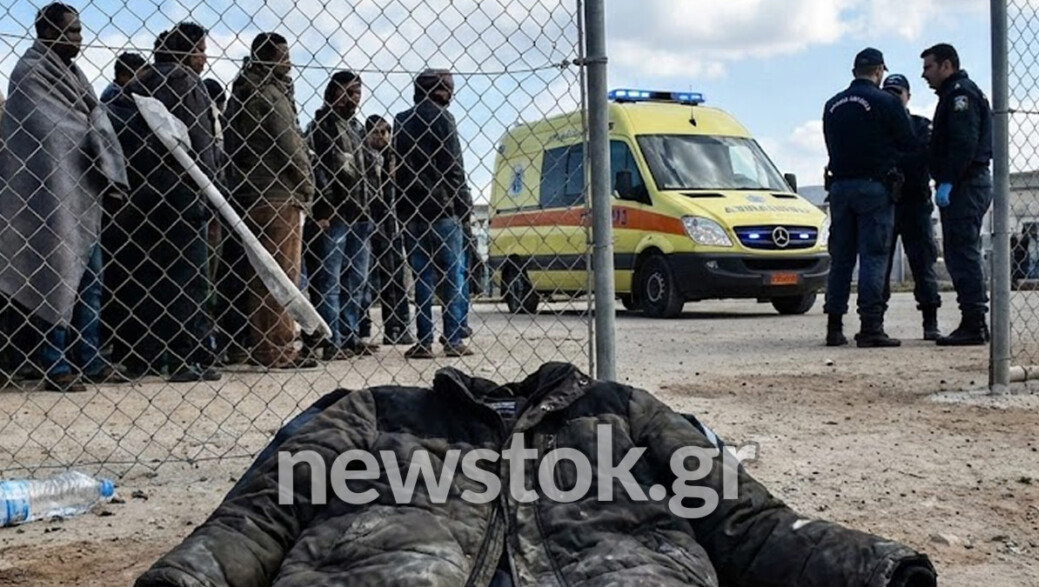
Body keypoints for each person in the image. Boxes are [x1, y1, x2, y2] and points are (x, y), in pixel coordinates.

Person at [135, 362, 939, 587]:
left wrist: (877, 566)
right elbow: (262, 513)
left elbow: (745, 519)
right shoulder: (380, 411)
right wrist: (185, 577)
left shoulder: (622, 411)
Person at [0, 3, 130, 392]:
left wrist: (94, 126)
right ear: (47, 33)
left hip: (81, 199)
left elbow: (89, 117)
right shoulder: (30, 73)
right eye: (71, 31)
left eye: (79, 30)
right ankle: (54, 363)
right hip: (47, 200)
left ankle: (89, 357)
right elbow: (48, 133)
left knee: (90, 281)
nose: (79, 38)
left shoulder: (73, 75)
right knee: (53, 278)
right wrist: (91, 127)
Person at [108, 22, 221, 382]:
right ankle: (189, 357)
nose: (204, 59)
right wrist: (212, 191)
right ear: (187, 52)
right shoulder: (187, 83)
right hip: (183, 191)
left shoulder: (137, 85)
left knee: (146, 275)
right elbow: (200, 142)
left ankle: (144, 356)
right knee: (189, 277)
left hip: (141, 194)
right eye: (200, 50)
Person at [223, 32, 316, 369]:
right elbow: (289, 143)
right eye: (284, 55)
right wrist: (307, 185)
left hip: (250, 192)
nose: (289, 62)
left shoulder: (242, 92)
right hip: (279, 192)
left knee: (259, 276)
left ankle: (262, 345)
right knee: (284, 275)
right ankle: (280, 348)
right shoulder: (271, 93)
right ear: (271, 57)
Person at [821, 48, 916, 348]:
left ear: (854, 72)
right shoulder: (886, 102)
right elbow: (908, 142)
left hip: (839, 188)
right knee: (874, 256)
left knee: (841, 258)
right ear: (879, 72)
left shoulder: (832, 105)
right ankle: (871, 326)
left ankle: (834, 326)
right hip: (874, 187)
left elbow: (830, 143)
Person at [393, 69, 474, 359]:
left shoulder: (401, 120)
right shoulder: (443, 118)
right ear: (439, 90)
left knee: (422, 277)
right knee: (453, 275)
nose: (450, 94)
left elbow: (398, 168)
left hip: (411, 210)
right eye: (447, 88)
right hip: (442, 209)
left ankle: (424, 340)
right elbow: (454, 167)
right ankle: (453, 338)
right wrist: (463, 205)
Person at [920, 43, 994, 346]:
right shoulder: (954, 94)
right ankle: (974, 320)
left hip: (966, 183)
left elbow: (963, 143)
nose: (924, 74)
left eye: (929, 67)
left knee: (963, 252)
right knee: (960, 251)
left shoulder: (959, 95)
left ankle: (974, 323)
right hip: (966, 183)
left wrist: (948, 180)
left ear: (946, 65)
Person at [306, 70, 379, 358]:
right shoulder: (321, 127)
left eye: (357, 93)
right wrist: (323, 209)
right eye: (347, 92)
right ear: (332, 94)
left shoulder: (356, 128)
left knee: (356, 280)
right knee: (330, 281)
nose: (353, 99)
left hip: (360, 214)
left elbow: (367, 172)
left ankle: (349, 336)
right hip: (335, 215)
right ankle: (331, 340)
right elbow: (319, 171)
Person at [880, 74, 943, 340]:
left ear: (908, 96)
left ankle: (930, 321)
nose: (894, 98)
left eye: (898, 93)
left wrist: (896, 161)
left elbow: (923, 159)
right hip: (885, 204)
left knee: (923, 264)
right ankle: (874, 322)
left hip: (915, 204)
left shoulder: (920, 125)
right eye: (889, 93)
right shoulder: (877, 127)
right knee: (880, 266)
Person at [363, 114, 413, 345]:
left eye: (385, 132)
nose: (382, 137)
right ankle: (364, 330)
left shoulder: (394, 157)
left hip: (391, 224)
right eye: (376, 132)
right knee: (367, 279)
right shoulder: (365, 158)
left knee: (395, 277)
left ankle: (398, 327)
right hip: (370, 221)